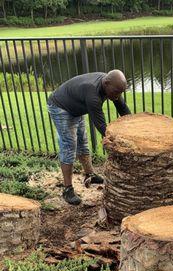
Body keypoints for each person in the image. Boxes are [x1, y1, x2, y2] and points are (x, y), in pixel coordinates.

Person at [47, 70, 131, 205]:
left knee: (83, 142)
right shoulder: (93, 93)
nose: (118, 96)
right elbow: (101, 125)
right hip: (60, 106)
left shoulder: (112, 85)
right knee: (69, 146)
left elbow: (122, 108)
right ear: (106, 83)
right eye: (116, 92)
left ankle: (90, 175)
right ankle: (67, 189)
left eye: (120, 92)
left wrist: (134, 128)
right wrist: (117, 142)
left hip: (76, 106)